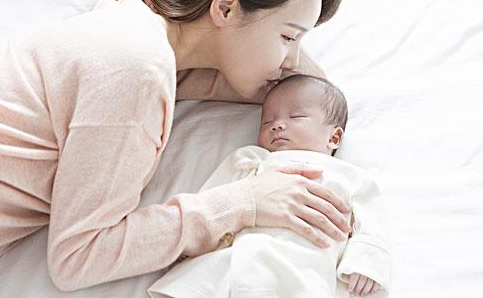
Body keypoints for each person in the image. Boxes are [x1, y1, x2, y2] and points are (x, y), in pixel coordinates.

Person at [0, 0, 350, 293]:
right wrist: (244, 202)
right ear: (224, 8)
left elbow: (310, 86)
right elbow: (79, 256)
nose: (292, 59)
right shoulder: (136, 68)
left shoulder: (137, 18)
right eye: (288, 37)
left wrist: (281, 39)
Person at [148, 75, 390, 298]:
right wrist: (194, 241)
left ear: (334, 138)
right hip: (238, 255)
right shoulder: (254, 159)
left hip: (304, 263)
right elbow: (217, 196)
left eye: (296, 117)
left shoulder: (349, 176)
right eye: (267, 121)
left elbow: (371, 221)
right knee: (205, 279)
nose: (277, 125)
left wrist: (366, 260)